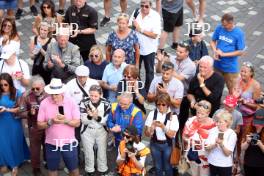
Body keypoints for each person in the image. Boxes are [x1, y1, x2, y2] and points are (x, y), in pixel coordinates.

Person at [37, 78, 81, 176]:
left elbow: (77, 123)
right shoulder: (44, 103)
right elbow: (39, 125)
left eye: (56, 94)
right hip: (51, 143)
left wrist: (65, 121)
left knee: (73, 169)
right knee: (52, 170)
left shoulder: (71, 102)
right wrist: (51, 122)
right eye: (51, 93)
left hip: (68, 142)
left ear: (62, 92)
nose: (53, 96)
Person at [157, 41, 196, 129]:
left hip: (182, 97)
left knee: (179, 122)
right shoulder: (172, 59)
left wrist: (169, 68)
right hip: (166, 93)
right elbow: (159, 71)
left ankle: (178, 139)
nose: (177, 53)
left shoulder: (190, 66)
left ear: (187, 53)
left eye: (180, 52)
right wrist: (160, 62)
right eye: (177, 51)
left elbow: (178, 78)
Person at [0, 73, 30, 176]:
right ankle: (4, 162)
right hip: (1, 122)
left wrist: (7, 109)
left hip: (13, 121)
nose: (3, 87)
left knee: (14, 142)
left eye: (5, 85)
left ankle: (15, 165)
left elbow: (21, 108)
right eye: (1, 85)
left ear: (10, 84)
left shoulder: (17, 92)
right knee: (3, 143)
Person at [129, 0, 161, 92]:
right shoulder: (136, 12)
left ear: (150, 6)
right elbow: (130, 26)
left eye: (146, 6)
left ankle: (148, 91)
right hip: (136, 49)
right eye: (142, 6)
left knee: (149, 71)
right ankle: (136, 89)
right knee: (135, 70)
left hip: (149, 49)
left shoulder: (155, 16)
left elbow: (155, 35)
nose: (143, 8)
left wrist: (140, 29)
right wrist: (133, 27)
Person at [19, 76, 48, 176]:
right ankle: (36, 168)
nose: (35, 90)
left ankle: (47, 161)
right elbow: (20, 113)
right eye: (33, 88)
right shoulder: (26, 95)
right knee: (35, 149)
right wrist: (29, 113)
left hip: (47, 124)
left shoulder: (49, 94)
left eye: (37, 88)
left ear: (43, 87)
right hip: (34, 125)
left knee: (48, 145)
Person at [210, 13, 245, 94]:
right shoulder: (220, 27)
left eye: (225, 25)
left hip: (230, 68)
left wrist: (223, 54)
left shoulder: (239, 33)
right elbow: (212, 41)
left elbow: (240, 52)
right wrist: (215, 51)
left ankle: (231, 105)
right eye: (222, 24)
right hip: (217, 65)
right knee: (215, 87)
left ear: (231, 23)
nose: (223, 26)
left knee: (232, 90)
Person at [145, 93, 179, 176]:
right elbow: (146, 134)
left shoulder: (173, 116)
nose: (161, 107)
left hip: (167, 145)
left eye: (163, 104)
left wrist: (163, 127)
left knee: (168, 167)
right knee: (157, 167)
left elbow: (171, 135)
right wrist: (152, 128)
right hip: (154, 144)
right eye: (158, 104)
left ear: (168, 104)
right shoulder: (152, 114)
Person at [80, 85, 111, 175]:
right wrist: (90, 116)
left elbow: (107, 121)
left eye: (96, 96)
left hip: (101, 130)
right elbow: (83, 121)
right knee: (88, 152)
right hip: (87, 130)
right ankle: (89, 170)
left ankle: (103, 169)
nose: (93, 98)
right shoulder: (84, 102)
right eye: (91, 95)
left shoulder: (106, 103)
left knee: (102, 152)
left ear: (101, 95)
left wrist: (96, 117)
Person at [183, 100, 215, 176]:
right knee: (194, 174)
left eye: (202, 114)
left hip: (206, 157)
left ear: (208, 113)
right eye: (198, 112)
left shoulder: (214, 125)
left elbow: (215, 143)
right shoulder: (190, 121)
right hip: (192, 155)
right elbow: (184, 136)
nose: (199, 115)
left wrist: (207, 146)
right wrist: (191, 142)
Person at [205, 111, 237, 176]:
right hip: (212, 162)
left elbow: (228, 153)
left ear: (227, 123)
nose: (217, 124)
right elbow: (206, 148)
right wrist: (214, 145)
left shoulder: (232, 134)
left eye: (220, 122)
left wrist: (221, 144)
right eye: (217, 121)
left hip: (225, 165)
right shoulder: (213, 130)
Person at [236, 61, 261, 127]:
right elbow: (234, 93)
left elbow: (256, 106)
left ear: (251, 73)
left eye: (245, 72)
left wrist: (244, 102)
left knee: (243, 136)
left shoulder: (256, 86)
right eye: (241, 71)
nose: (242, 74)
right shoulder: (239, 79)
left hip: (248, 116)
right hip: (237, 111)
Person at [241, 110, 264, 176]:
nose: (258, 125)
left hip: (261, 166)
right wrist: (247, 142)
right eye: (256, 122)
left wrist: (260, 144)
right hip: (248, 164)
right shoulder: (248, 129)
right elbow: (242, 148)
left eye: (260, 123)